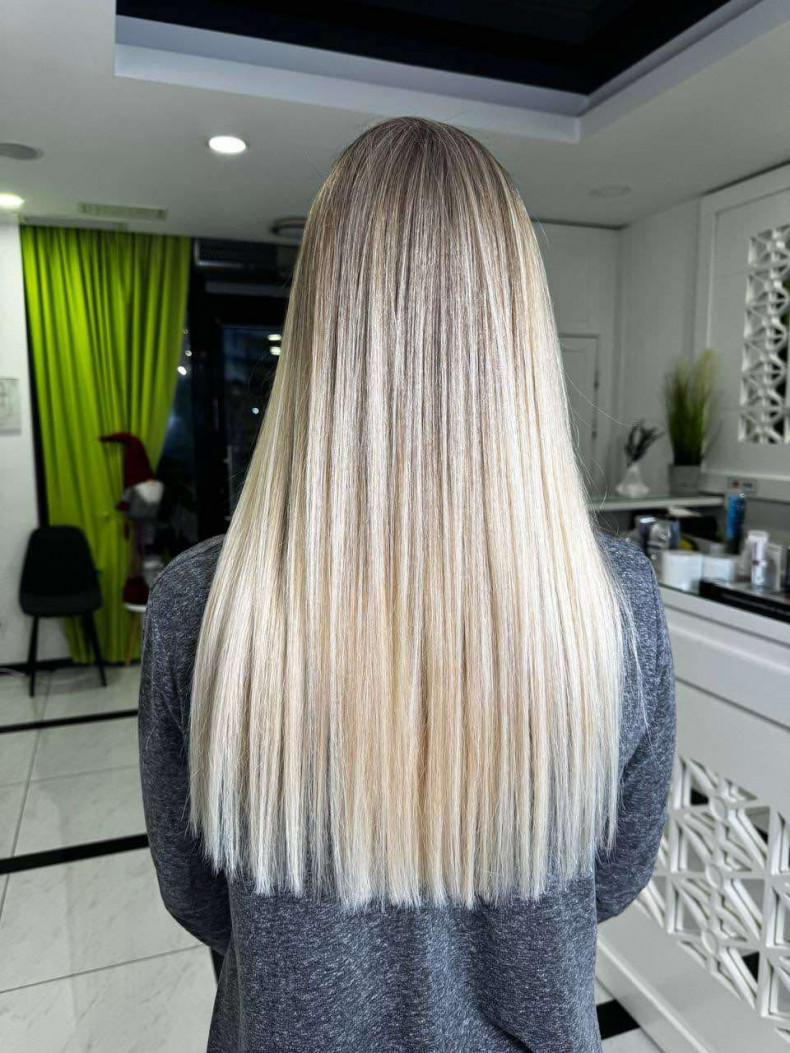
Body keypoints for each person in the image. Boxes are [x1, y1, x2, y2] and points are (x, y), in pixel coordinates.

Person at [139, 116, 675, 1052]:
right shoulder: (615, 603)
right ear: (515, 331)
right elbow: (616, 877)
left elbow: (197, 895)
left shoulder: (204, 605)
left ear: (320, 322)